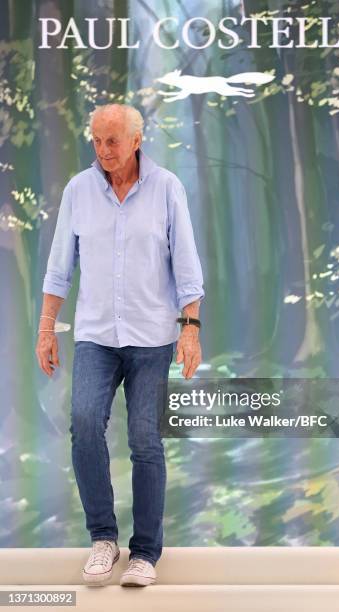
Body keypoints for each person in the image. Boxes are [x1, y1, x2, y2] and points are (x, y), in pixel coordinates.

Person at [35, 103, 204, 587]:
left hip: (152, 336)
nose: (103, 150)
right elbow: (58, 268)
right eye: (96, 140)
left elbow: (187, 267)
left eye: (112, 141)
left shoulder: (167, 188)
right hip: (96, 335)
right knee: (85, 424)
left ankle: (146, 553)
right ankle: (103, 540)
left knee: (145, 440)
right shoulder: (78, 191)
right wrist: (46, 328)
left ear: (136, 139)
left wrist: (190, 328)